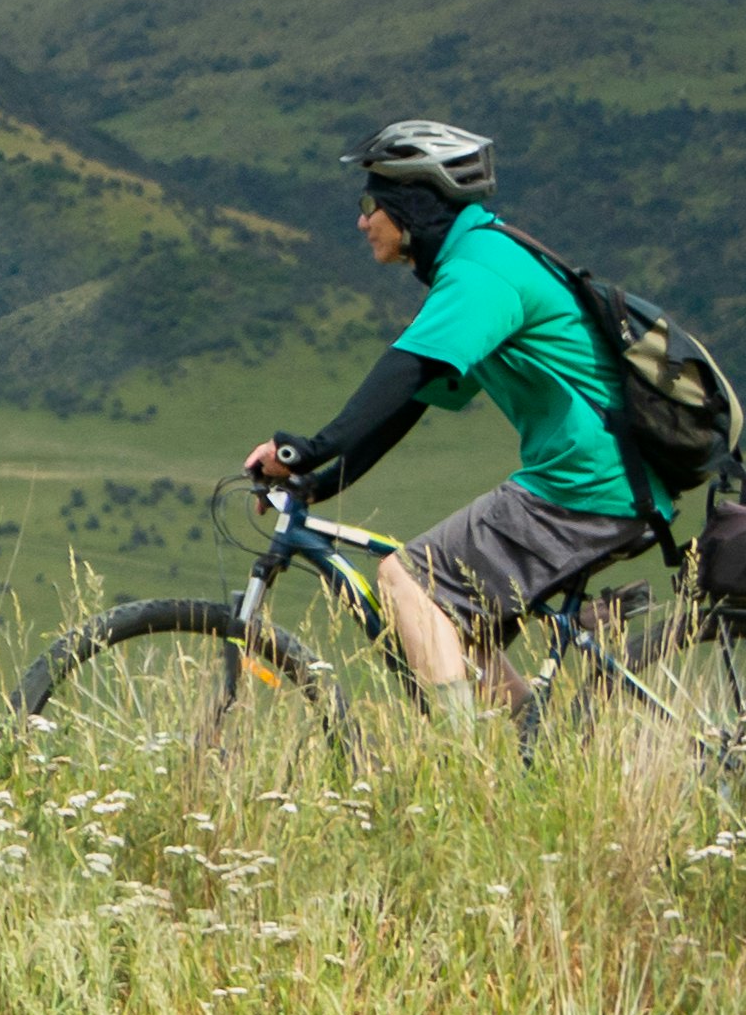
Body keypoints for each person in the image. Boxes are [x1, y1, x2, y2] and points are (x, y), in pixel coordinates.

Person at [241, 117, 644, 713]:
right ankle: (524, 756)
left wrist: (306, 447)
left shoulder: (480, 270)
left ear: (410, 205)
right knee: (460, 627)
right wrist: (323, 481)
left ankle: (459, 768)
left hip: (584, 485)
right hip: (599, 482)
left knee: (410, 579)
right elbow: (414, 398)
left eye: (370, 204)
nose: (361, 221)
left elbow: (405, 372)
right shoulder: (481, 259)